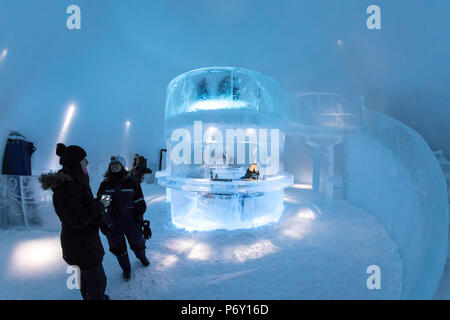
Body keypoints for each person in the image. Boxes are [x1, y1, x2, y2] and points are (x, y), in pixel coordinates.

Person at [39, 143, 112, 300]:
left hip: (80, 244)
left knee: (86, 281)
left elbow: (81, 206)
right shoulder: (68, 187)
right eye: (83, 160)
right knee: (96, 281)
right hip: (82, 246)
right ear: (75, 163)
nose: (87, 163)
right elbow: (77, 219)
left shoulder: (74, 182)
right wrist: (99, 205)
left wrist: (96, 202)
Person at [97, 155, 149, 281]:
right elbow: (102, 205)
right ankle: (126, 269)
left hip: (131, 221)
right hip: (113, 223)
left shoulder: (131, 181)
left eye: (117, 164)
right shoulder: (105, 184)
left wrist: (139, 217)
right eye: (112, 164)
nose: (114, 166)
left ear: (122, 166)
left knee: (137, 243)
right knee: (118, 248)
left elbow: (139, 200)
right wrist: (103, 221)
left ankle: (142, 257)